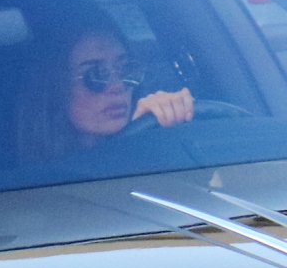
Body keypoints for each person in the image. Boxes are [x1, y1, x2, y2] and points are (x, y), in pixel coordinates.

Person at [18, 17, 194, 163]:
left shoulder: (157, 141)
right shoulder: (38, 182)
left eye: (126, 70)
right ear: (56, 90)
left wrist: (169, 135)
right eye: (94, 76)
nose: (117, 86)